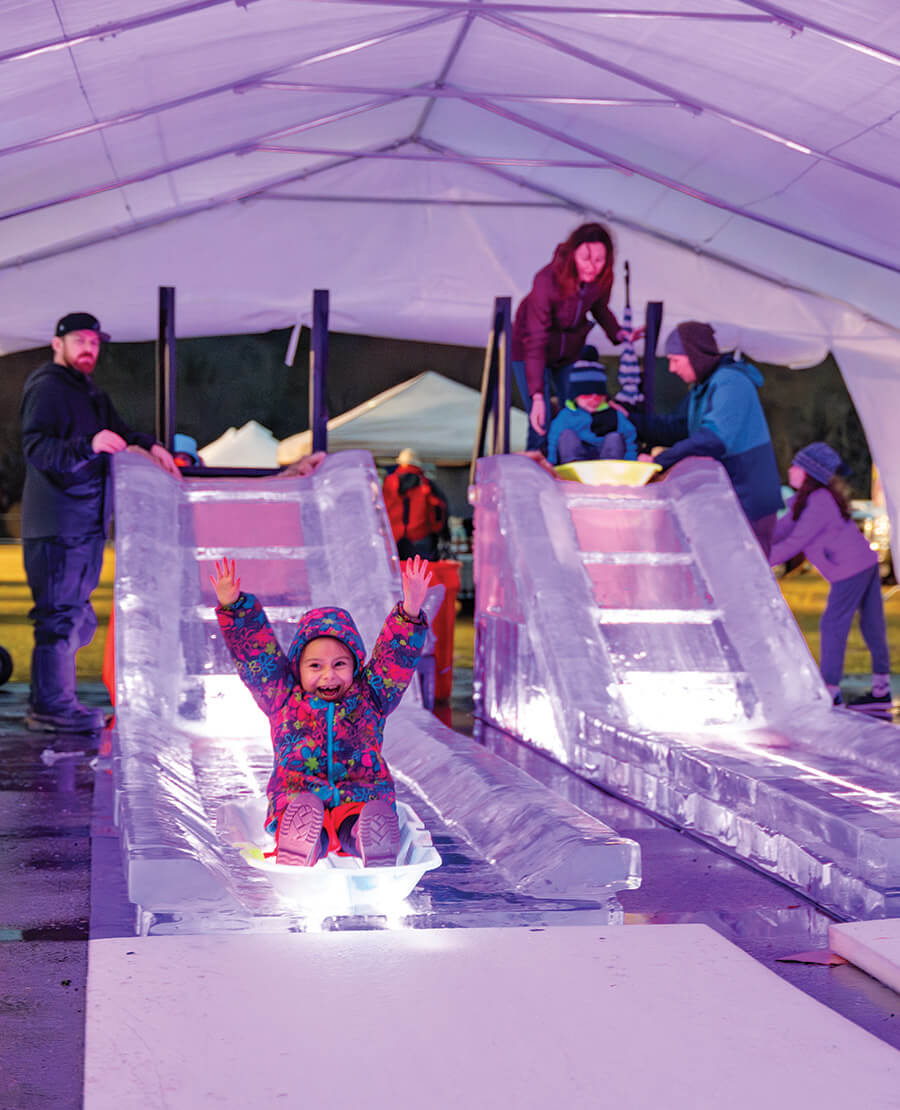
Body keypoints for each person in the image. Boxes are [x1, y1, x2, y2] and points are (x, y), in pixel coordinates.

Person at [210, 554, 432, 867]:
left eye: (340, 664)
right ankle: (306, 844)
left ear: (356, 666)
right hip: (298, 792)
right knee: (299, 809)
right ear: (296, 667)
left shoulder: (371, 695)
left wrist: (409, 612)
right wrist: (236, 608)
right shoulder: (282, 695)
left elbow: (395, 659)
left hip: (361, 792)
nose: (328, 676)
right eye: (315, 666)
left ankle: (365, 838)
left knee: (362, 813)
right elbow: (256, 653)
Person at [20, 312, 180, 733]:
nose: (90, 348)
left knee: (75, 617)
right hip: (57, 525)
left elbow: (121, 432)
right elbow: (37, 447)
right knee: (58, 616)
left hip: (86, 526)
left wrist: (153, 446)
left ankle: (55, 700)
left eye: (94, 341)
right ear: (58, 344)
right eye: (80, 340)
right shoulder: (48, 388)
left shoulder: (90, 393)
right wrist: (87, 446)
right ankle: (51, 707)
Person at [634, 321, 782, 554]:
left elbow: (714, 439)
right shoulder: (705, 387)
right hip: (729, 497)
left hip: (751, 502)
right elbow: (680, 428)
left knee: (745, 578)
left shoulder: (731, 383)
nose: (671, 368)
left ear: (695, 355)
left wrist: (659, 462)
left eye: (675, 360)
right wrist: (630, 421)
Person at [769, 443, 891, 712]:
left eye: (796, 466)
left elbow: (797, 540)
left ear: (809, 472)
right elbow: (781, 529)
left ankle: (831, 690)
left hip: (852, 568)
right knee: (871, 624)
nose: (790, 470)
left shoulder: (819, 501)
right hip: (862, 563)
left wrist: (762, 561)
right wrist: (758, 539)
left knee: (833, 624)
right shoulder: (804, 500)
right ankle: (881, 689)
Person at [511, 222, 643, 452]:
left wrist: (618, 332)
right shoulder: (546, 281)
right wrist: (538, 395)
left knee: (574, 409)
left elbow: (600, 307)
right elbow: (536, 339)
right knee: (541, 416)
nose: (592, 267)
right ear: (573, 254)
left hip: (568, 350)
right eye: (585, 258)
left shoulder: (601, 279)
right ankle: (536, 465)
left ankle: (573, 460)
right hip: (530, 348)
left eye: (599, 260)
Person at [547, 349, 639, 465]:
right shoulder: (567, 415)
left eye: (598, 396)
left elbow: (630, 435)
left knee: (615, 438)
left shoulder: (612, 414)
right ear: (575, 396)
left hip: (604, 459)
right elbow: (553, 439)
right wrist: (551, 462)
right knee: (566, 436)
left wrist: (631, 462)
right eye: (587, 395)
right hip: (577, 461)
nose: (593, 400)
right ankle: (571, 466)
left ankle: (611, 468)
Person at [382, 448, 448, 560]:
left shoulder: (389, 482)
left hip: (394, 537)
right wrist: (440, 534)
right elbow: (439, 510)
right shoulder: (426, 483)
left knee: (396, 573)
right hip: (420, 536)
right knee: (421, 572)